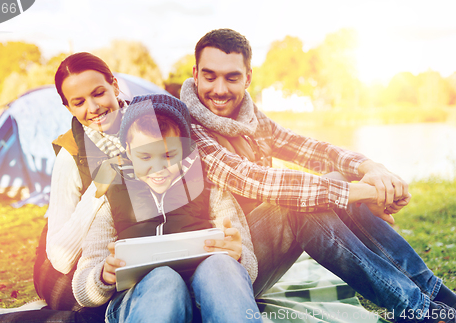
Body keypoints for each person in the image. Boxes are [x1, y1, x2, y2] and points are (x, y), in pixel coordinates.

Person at [179, 28, 456, 323]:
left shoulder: (248, 116)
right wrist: (361, 192)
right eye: (210, 76)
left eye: (231, 77)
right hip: (217, 274)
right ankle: (420, 313)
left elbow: (307, 148)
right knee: (296, 203)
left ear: (248, 78)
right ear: (195, 74)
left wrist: (370, 168)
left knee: (333, 181)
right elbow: (255, 180)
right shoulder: (185, 128)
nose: (219, 89)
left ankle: (438, 297)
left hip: (258, 253)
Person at [0, 52, 123, 322]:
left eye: (99, 93)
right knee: (102, 312)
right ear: (68, 107)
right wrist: (101, 186)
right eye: (78, 102)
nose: (92, 107)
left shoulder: (150, 126)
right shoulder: (71, 154)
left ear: (114, 86)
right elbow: (59, 256)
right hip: (62, 269)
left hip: (119, 256)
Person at [71, 93, 261, 322]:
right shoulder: (110, 193)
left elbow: (249, 269)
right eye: (145, 156)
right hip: (142, 301)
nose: (157, 168)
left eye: (170, 155)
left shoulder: (210, 186)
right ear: (129, 150)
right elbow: (83, 289)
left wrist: (237, 257)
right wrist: (103, 275)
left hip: (204, 297)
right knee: (163, 278)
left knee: (221, 265)